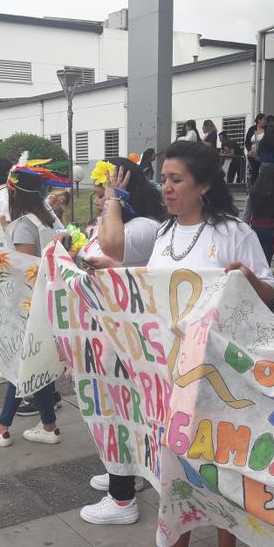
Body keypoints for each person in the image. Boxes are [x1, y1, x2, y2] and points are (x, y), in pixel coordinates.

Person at [128, 140, 274, 547]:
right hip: (171, 372)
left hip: (222, 371)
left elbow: (268, 293)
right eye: (163, 180)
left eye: (176, 179)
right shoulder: (164, 233)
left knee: (221, 459)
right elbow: (151, 293)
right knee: (174, 456)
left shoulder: (233, 232)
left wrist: (246, 279)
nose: (166, 188)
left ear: (205, 185)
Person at [66, 158, 166, 524]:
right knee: (119, 411)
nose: (99, 200)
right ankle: (127, 474)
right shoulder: (127, 224)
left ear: (125, 191)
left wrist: (113, 201)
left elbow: (105, 248)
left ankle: (122, 499)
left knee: (118, 412)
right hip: (111, 333)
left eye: (103, 193)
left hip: (124, 337)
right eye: (99, 193)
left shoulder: (142, 226)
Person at [0, 168, 62, 447]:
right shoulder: (47, 219)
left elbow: (24, 267)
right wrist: (5, 232)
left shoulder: (25, 224)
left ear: (13, 191)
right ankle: (48, 425)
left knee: (21, 362)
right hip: (46, 301)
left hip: (28, 304)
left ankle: (2, 426)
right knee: (34, 361)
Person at [246, 166, 274, 264]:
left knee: (254, 258)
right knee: (266, 259)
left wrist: (244, 226)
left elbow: (247, 212)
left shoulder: (253, 191)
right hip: (271, 228)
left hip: (255, 228)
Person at [244, 113, 266, 186]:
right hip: (253, 154)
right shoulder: (252, 129)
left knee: (264, 172)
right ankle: (253, 187)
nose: (265, 121)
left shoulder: (267, 129)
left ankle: (263, 187)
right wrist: (249, 150)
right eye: (264, 119)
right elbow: (247, 141)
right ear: (259, 120)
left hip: (263, 154)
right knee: (254, 172)